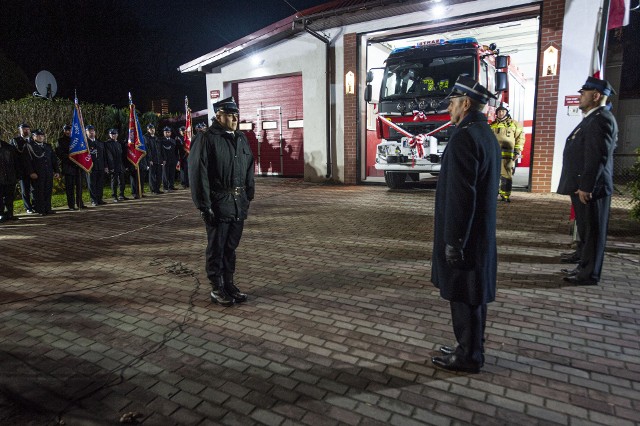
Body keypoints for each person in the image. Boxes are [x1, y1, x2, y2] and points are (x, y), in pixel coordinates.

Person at [430, 76, 500, 374]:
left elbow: (461, 196)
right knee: (474, 295)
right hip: (479, 233)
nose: (449, 108)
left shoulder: (464, 136)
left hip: (465, 236)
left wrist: (454, 242)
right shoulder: (484, 133)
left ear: (466, 103)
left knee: (464, 295)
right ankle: (470, 346)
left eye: (452, 102)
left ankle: (469, 356)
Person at [189, 97, 255, 307]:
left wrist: (248, 195)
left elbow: (249, 168)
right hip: (218, 203)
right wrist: (204, 205)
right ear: (218, 116)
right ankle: (216, 287)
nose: (235, 118)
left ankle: (229, 283)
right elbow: (198, 174)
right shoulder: (206, 138)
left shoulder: (241, 138)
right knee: (216, 247)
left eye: (236, 114)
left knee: (231, 247)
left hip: (237, 202)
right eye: (230, 114)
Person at [557, 77, 618, 286]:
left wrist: (586, 186)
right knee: (586, 230)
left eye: (583, 93)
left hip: (592, 189)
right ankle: (583, 266)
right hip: (584, 186)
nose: (579, 97)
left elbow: (597, 156)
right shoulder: (593, 118)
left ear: (596, 95)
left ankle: (588, 274)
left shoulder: (602, 119)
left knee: (593, 233)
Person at [490, 105, 524, 202]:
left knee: (506, 174)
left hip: (508, 155)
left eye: (503, 111)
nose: (501, 113)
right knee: (493, 174)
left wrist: (517, 151)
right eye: (499, 111)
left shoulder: (514, 124)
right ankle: (493, 194)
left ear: (507, 112)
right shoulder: (492, 125)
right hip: (494, 154)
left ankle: (505, 195)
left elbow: (520, 138)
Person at [26, 129, 60, 215]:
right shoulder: (29, 146)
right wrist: (31, 172)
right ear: (33, 137)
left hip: (48, 172)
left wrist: (56, 171)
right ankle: (40, 209)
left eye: (42, 135)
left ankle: (47, 208)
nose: (41, 137)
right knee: (38, 192)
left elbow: (53, 159)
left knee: (48, 190)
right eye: (38, 135)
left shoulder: (47, 146)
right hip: (37, 173)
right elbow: (27, 161)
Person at [56, 124, 86, 210]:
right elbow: (60, 154)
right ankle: (71, 205)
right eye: (66, 130)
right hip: (68, 166)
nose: (68, 132)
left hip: (78, 167)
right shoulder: (60, 141)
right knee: (70, 187)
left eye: (70, 130)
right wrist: (72, 159)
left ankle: (80, 203)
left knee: (79, 187)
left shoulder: (78, 139)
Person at [10, 123, 36, 213]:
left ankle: (35, 205)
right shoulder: (15, 141)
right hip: (23, 170)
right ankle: (28, 207)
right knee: (25, 190)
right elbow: (15, 156)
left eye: (27, 129)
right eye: (24, 129)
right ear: (20, 130)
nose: (26, 131)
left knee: (35, 189)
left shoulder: (33, 140)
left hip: (34, 169)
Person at [0, 138, 23, 222]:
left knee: (9, 196)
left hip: (10, 176)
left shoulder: (8, 147)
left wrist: (18, 174)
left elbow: (16, 161)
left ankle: (10, 213)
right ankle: (1, 214)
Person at [85, 125, 107, 206]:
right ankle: (93, 200)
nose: (91, 132)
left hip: (100, 166)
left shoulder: (100, 143)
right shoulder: (85, 143)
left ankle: (99, 199)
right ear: (86, 132)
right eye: (89, 131)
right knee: (92, 184)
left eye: (92, 130)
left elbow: (104, 156)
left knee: (100, 184)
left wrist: (105, 166)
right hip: (90, 167)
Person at [104, 128, 127, 202]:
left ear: (117, 134)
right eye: (112, 134)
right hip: (113, 165)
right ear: (109, 135)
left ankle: (121, 195)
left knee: (122, 181)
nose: (113, 135)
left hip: (120, 165)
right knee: (114, 182)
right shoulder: (107, 144)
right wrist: (111, 166)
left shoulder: (119, 144)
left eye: (115, 134)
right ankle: (114, 196)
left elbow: (122, 155)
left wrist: (124, 165)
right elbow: (108, 156)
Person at [145, 124, 165, 194]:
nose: (152, 130)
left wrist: (163, 159)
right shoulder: (146, 138)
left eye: (153, 128)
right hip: (152, 160)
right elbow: (148, 150)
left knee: (159, 175)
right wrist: (149, 159)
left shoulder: (157, 138)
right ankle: (153, 190)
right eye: (150, 129)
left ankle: (157, 189)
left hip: (159, 159)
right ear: (148, 130)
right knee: (152, 176)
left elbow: (161, 149)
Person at [160, 126, 178, 192]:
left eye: (169, 132)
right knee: (165, 174)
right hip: (165, 160)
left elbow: (176, 151)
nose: (167, 133)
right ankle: (165, 187)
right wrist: (162, 160)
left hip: (173, 159)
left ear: (170, 133)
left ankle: (171, 186)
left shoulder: (173, 141)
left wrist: (177, 159)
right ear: (164, 133)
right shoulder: (161, 141)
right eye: (166, 132)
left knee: (172, 173)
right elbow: (160, 151)